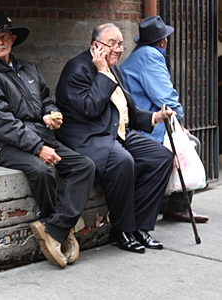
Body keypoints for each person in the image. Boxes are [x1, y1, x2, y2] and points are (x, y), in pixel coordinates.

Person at [0, 11, 95, 268]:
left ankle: (55, 228)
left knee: (84, 166)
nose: (0, 41)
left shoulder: (27, 68)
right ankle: (59, 226)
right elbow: (2, 124)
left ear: (12, 39)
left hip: (38, 135)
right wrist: (38, 148)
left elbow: (46, 99)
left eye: (4, 36)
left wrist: (50, 114)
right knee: (41, 169)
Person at [55, 23, 175, 254]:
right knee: (123, 161)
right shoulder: (77, 69)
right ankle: (121, 229)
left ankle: (139, 226)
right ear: (96, 46)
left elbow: (125, 109)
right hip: (88, 136)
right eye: (113, 44)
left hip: (114, 132)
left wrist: (155, 117)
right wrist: (101, 73)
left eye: (121, 44)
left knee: (161, 157)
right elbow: (90, 109)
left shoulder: (113, 68)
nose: (119, 49)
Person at [119, 16, 209, 223]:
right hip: (148, 126)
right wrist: (179, 123)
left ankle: (164, 201)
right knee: (191, 144)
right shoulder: (150, 56)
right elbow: (165, 97)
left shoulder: (138, 55)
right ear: (162, 41)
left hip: (139, 123)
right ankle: (177, 207)